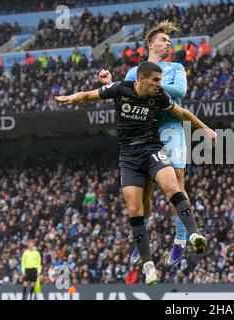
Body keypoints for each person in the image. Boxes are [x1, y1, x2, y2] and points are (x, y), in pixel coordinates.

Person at [56, 61, 217, 285]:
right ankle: (149, 266)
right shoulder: (121, 88)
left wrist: (205, 128)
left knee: (172, 187)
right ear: (140, 79)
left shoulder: (159, 95)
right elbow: (88, 95)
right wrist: (71, 98)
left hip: (151, 149)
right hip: (129, 157)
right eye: (155, 80)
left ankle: (194, 234)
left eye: (160, 81)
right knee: (135, 208)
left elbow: (182, 112)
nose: (159, 85)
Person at [98, 21, 191, 269]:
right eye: (164, 40)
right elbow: (124, 100)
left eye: (170, 42)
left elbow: (180, 90)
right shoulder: (133, 72)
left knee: (177, 182)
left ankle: (181, 238)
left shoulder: (176, 67)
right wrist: (109, 83)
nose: (168, 44)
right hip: (146, 130)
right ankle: (143, 243)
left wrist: (151, 87)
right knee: (146, 187)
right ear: (151, 44)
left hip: (170, 126)